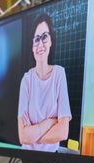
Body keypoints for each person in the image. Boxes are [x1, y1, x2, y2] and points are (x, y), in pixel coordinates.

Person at [17, 13, 72, 152]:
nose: (40, 44)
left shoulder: (59, 74)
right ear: (32, 45)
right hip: (26, 157)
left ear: (51, 41)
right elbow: (23, 137)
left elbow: (63, 132)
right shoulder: (27, 79)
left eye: (45, 37)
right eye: (36, 39)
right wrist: (51, 122)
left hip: (53, 157)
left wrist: (33, 135)